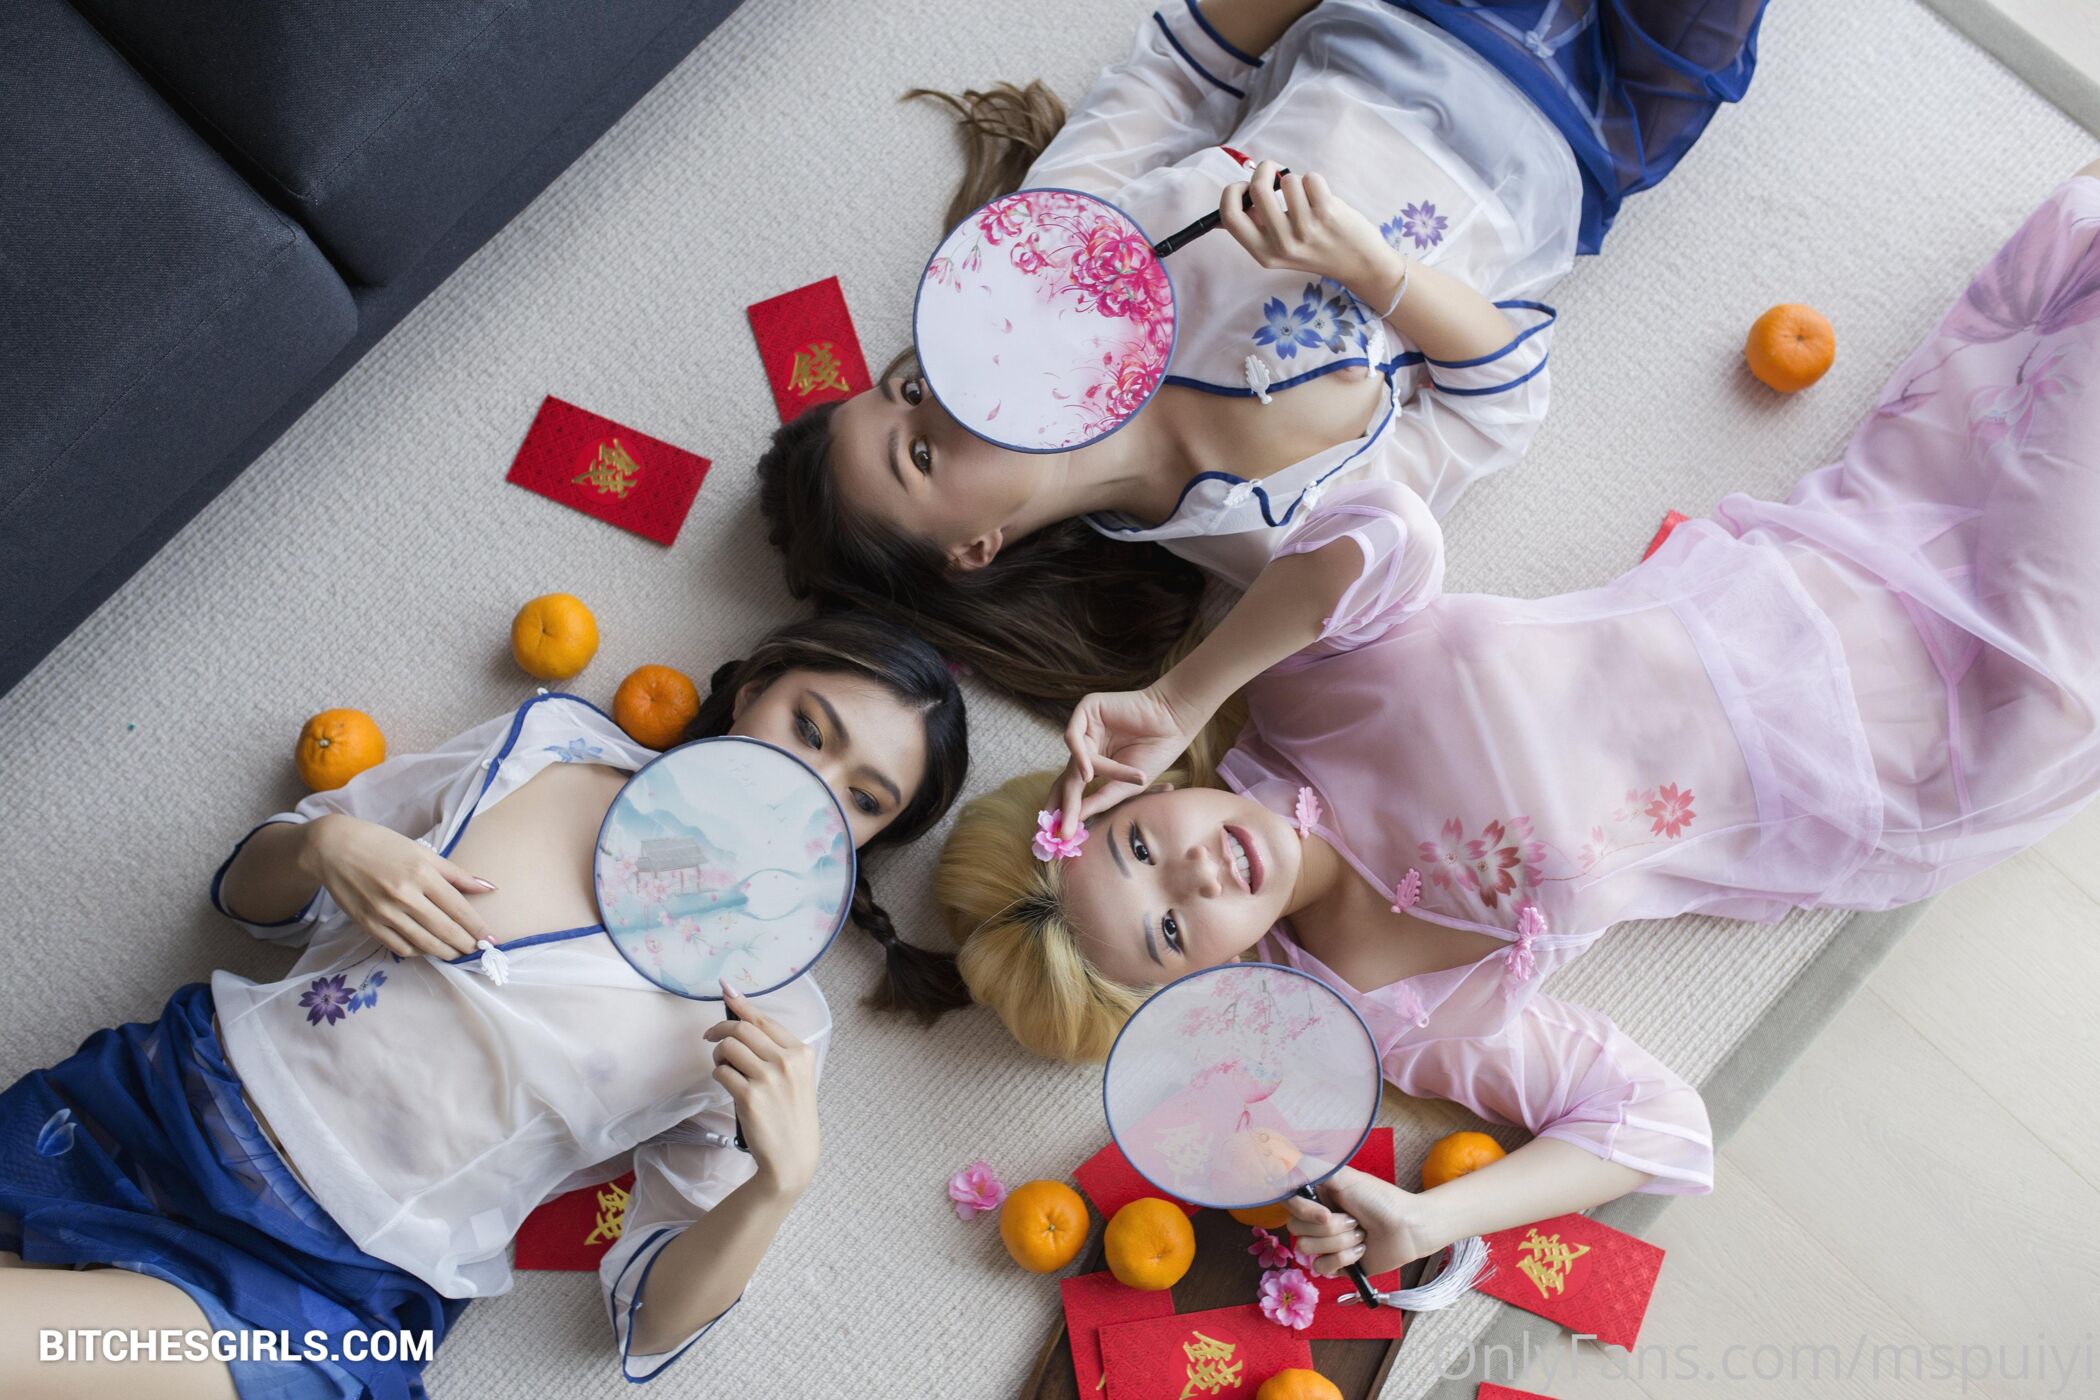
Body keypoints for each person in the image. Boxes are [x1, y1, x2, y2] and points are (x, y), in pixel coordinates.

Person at [937, 168, 2100, 1276]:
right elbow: (1656, 1124)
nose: (1193, 874)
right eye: (1169, 931)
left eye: (1141, 845)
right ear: (1202, 980)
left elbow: (1389, 528)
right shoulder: (1395, 1016)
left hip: (1849, 546)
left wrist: (1180, 693)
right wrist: (1429, 1214)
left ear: (1136, 795)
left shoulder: (1295, 687)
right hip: (1930, 746)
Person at [0, 613, 968, 1399]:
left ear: (870, 842)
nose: (809, 786)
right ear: (755, 687)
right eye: (809, 729)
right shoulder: (550, 747)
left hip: (329, 1288)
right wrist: (325, 843)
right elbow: (248, 902)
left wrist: (778, 1185)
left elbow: (648, 1321)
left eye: (864, 798)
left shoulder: (776, 1017)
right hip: (152, 1110)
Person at [760, 0, 1768, 713]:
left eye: (906, 389)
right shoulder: (1268, 541)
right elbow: (1499, 400)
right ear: (975, 549)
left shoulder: (1040, 264)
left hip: (1408, 18)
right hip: (1591, 135)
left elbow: (1175, 73)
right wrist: (1373, 271)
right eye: (920, 454)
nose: (940, 400)